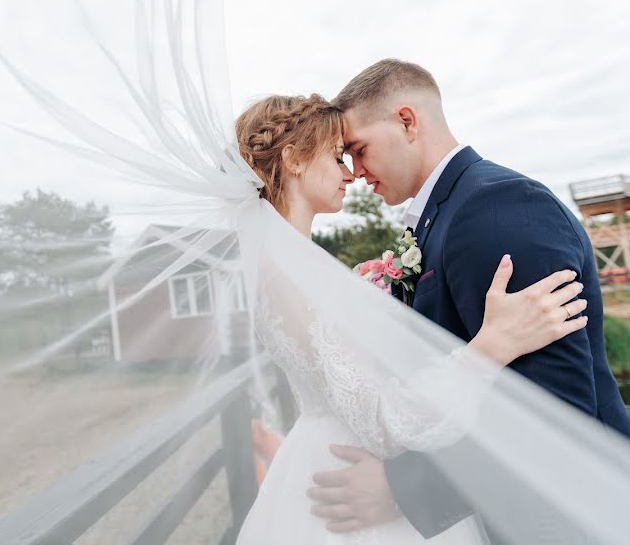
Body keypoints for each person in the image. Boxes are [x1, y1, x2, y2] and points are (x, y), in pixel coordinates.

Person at [232, 93, 588, 544]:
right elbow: (386, 421)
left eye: (353, 155)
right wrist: (492, 346)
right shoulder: (289, 277)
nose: (350, 173)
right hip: (355, 483)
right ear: (294, 160)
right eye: (337, 157)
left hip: (339, 463)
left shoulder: (290, 266)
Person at [306, 60, 630, 543]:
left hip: (572, 516)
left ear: (407, 121)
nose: (355, 173)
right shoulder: (447, 213)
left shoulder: (498, 208)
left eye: (359, 149)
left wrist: (403, 488)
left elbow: (552, 412)